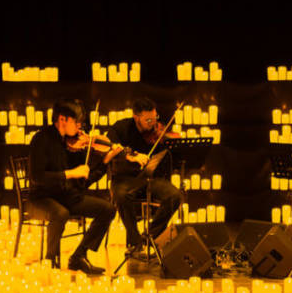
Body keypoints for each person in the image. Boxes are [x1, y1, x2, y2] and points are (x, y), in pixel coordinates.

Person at [27, 99, 120, 275]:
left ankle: (78, 256)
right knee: (60, 213)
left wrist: (104, 162)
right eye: (76, 123)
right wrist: (71, 173)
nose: (79, 128)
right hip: (41, 198)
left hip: (66, 196)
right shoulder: (41, 139)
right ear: (63, 119)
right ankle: (50, 261)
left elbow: (82, 183)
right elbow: (36, 177)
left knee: (107, 209)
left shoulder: (69, 143)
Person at [106, 98, 183, 259]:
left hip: (150, 178)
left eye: (155, 118)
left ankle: (147, 237)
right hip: (124, 178)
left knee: (175, 196)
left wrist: (171, 144)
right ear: (136, 117)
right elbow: (109, 146)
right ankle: (134, 243)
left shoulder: (157, 132)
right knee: (121, 195)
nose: (153, 123)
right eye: (148, 120)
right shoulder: (121, 127)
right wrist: (130, 155)